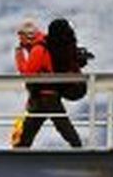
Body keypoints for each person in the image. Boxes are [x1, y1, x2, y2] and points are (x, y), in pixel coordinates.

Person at [11, 18, 82, 149]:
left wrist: (19, 56)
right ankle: (80, 149)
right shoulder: (45, 45)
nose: (19, 41)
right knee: (64, 128)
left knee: (29, 133)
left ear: (27, 37)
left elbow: (28, 75)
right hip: (50, 97)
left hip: (44, 98)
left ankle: (19, 158)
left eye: (20, 37)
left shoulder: (38, 49)